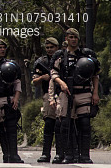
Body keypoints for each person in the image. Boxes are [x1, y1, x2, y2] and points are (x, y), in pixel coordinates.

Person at [49, 28, 100, 164]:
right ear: (66, 38)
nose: (73, 39)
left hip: (83, 92)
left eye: (75, 37)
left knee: (84, 123)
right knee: (66, 124)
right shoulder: (60, 55)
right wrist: (61, 83)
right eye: (71, 37)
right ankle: (69, 155)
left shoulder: (86, 54)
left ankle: (84, 155)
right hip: (66, 93)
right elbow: (53, 73)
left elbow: (95, 75)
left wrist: (95, 93)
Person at [32, 37, 59, 163]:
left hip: (63, 93)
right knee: (49, 123)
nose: (49, 50)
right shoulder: (41, 62)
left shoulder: (62, 59)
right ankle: (45, 153)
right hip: (48, 95)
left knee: (62, 125)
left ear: (57, 47)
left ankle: (62, 153)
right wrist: (44, 77)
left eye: (52, 47)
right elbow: (34, 81)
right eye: (47, 47)